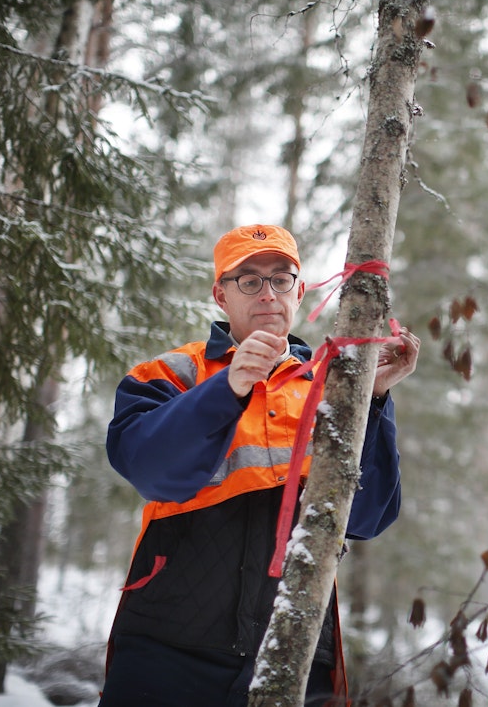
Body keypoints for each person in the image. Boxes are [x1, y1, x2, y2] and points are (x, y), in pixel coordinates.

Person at [99, 224, 419, 706]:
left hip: (298, 653)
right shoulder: (170, 372)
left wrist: (371, 399)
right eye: (248, 280)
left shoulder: (336, 385)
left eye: (280, 279)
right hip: (170, 649)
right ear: (220, 296)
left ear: (300, 290)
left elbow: (368, 517)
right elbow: (150, 470)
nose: (268, 293)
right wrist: (227, 387)